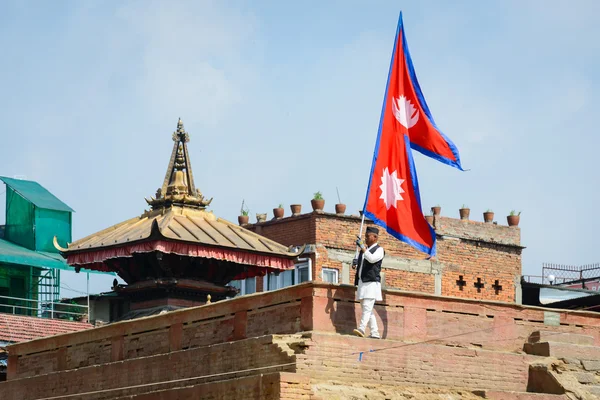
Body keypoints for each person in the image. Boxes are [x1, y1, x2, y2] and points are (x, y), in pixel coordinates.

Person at [352, 226, 384, 339]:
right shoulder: (364, 250)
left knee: (367, 307)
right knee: (367, 309)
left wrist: (362, 248)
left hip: (371, 283)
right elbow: (362, 263)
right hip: (362, 282)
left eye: (367, 236)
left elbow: (372, 259)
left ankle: (361, 328)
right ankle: (375, 332)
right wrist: (356, 262)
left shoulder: (379, 250)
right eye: (365, 237)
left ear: (375, 237)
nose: (365, 239)